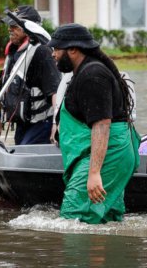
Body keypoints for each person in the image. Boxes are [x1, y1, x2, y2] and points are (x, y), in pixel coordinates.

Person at [47, 23, 140, 224]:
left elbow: (102, 125)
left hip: (109, 154)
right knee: (106, 221)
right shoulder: (84, 72)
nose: (53, 54)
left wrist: (94, 173)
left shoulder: (93, 75)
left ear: (73, 49)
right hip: (109, 153)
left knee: (73, 219)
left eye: (56, 49)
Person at [0, 5, 61, 145]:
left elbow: (55, 92)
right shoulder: (13, 52)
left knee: (25, 157)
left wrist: (56, 125)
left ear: (30, 28)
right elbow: (6, 93)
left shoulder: (42, 52)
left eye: (14, 26)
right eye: (9, 26)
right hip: (23, 124)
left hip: (42, 124)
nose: (9, 29)